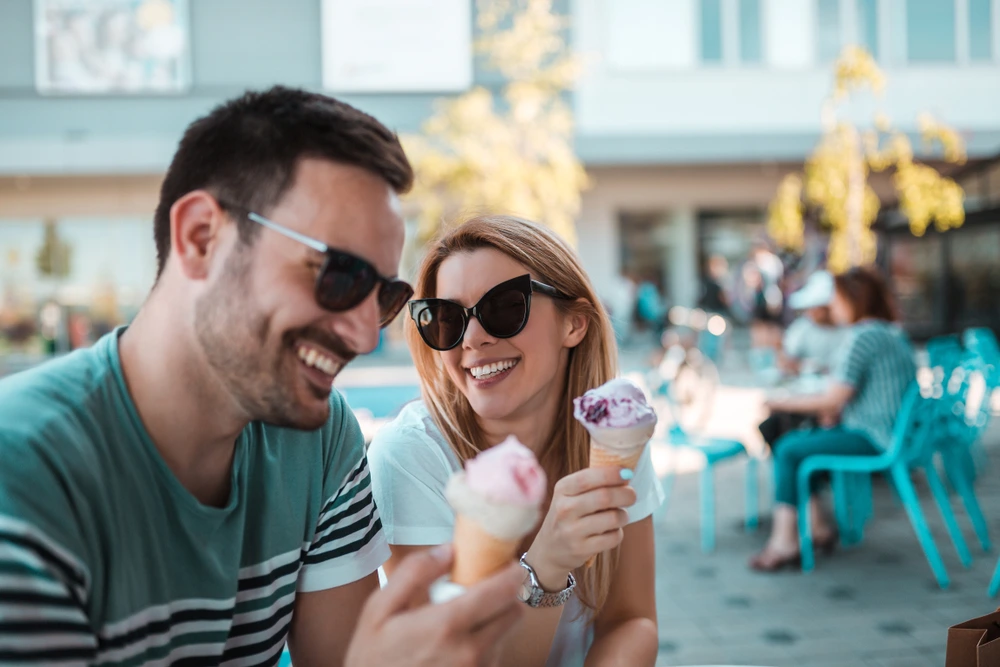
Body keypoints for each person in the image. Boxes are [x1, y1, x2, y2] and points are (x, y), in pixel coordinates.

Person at [0, 86, 525, 666]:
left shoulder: (320, 438)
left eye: (383, 297)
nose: (362, 336)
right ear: (201, 237)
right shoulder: (22, 472)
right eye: (339, 276)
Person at [368, 216, 662, 667]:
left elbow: (631, 620)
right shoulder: (409, 457)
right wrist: (546, 564)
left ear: (575, 324)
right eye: (446, 319)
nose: (472, 339)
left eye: (504, 307)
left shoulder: (612, 434)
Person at [749, 267, 916, 571]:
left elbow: (833, 398)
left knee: (788, 447)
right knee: (799, 442)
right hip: (894, 432)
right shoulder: (890, 331)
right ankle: (817, 526)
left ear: (854, 300)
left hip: (874, 437)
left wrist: (781, 401)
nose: (832, 306)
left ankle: (786, 541)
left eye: (836, 299)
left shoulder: (864, 335)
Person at [758, 270, 846, 449]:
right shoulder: (804, 328)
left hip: (834, 400)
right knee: (774, 421)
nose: (812, 312)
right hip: (811, 391)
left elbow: (836, 396)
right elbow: (785, 360)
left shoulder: (848, 329)